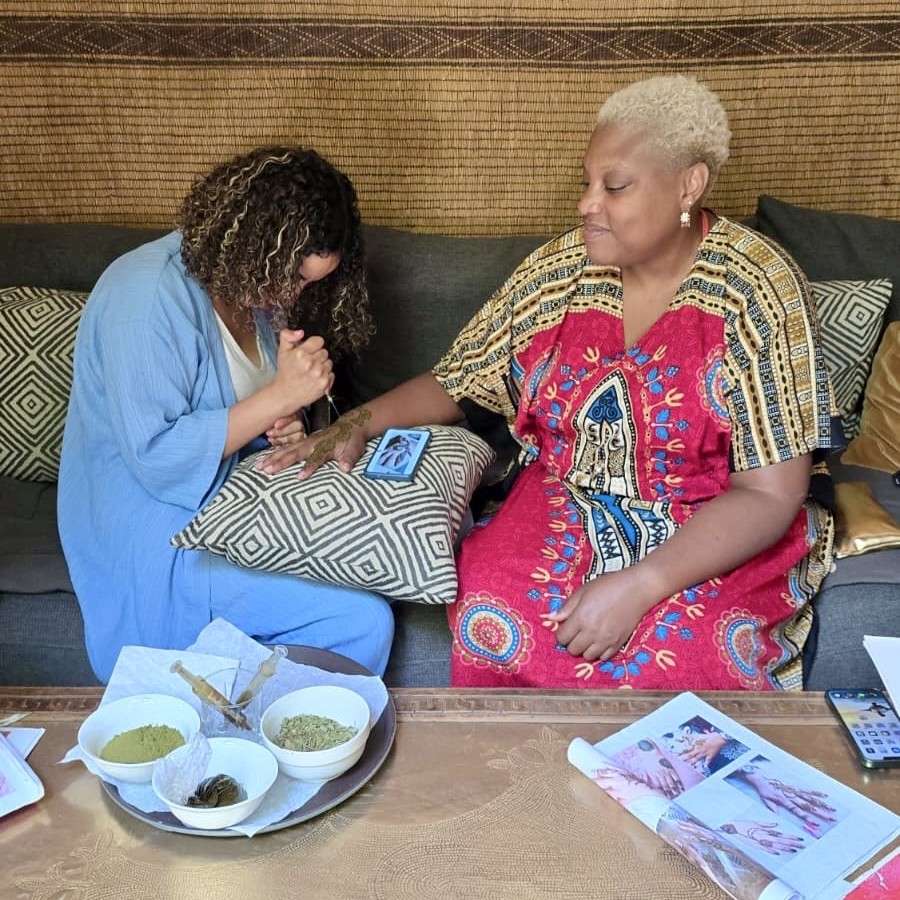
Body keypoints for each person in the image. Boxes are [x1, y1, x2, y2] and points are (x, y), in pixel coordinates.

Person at [261, 76, 837, 691]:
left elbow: (770, 494)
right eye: (586, 183)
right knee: (490, 607)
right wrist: (356, 423)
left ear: (689, 185)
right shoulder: (558, 273)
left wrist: (642, 584)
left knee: (686, 654)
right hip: (566, 495)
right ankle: (512, 788)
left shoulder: (757, 289)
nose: (589, 203)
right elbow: (461, 378)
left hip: (714, 519)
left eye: (614, 186)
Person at [58, 146, 394, 682]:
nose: (292, 293)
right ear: (252, 241)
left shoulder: (254, 286)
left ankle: (236, 707)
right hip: (159, 530)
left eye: (310, 283)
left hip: (230, 502)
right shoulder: (144, 299)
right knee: (361, 621)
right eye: (291, 276)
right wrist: (279, 397)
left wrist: (284, 424)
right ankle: (264, 738)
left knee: (375, 560)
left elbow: (238, 414)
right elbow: (157, 457)